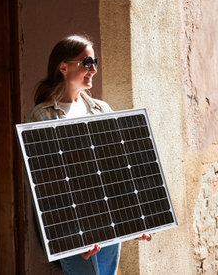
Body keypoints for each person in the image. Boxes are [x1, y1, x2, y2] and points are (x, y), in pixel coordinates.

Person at [27, 34, 152, 275]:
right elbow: (48, 184)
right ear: (63, 67)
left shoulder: (101, 109)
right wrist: (75, 235)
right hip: (70, 224)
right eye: (86, 63)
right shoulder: (42, 116)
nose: (93, 69)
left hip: (108, 216)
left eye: (95, 62)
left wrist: (134, 219)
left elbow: (118, 168)